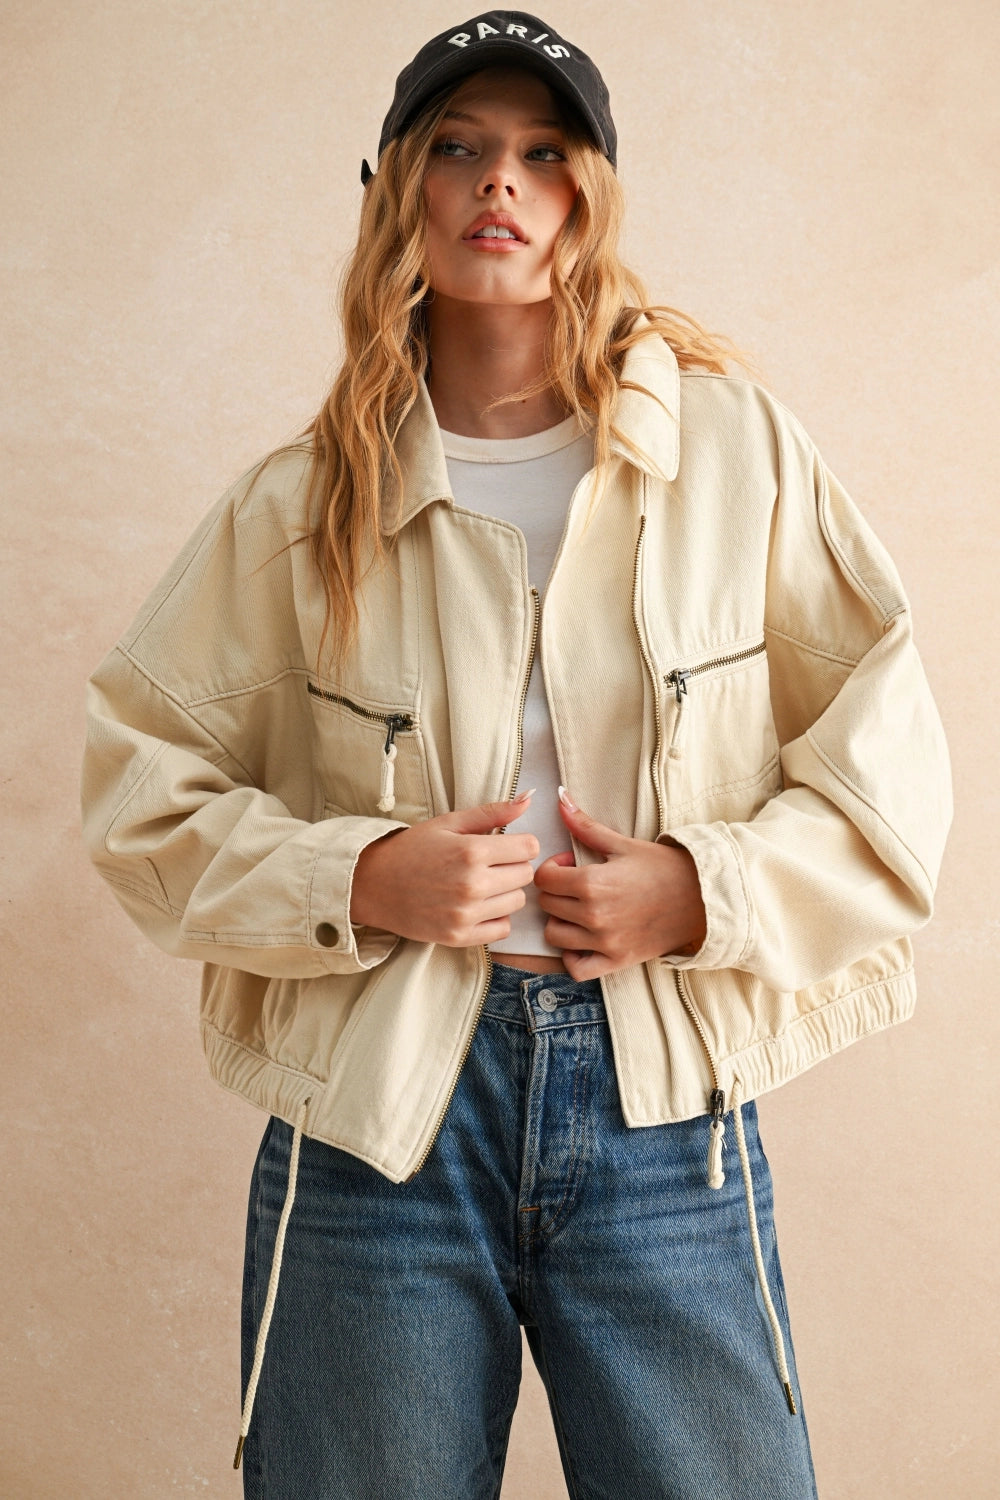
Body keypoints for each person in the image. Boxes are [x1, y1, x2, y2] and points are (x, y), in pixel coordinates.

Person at [81, 12, 952, 1499]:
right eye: (461, 148)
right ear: (395, 192)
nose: (502, 182)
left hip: (662, 1110)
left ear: (588, 201)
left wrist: (703, 891)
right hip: (377, 1121)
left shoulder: (734, 455)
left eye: (545, 154)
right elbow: (138, 785)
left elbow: (893, 767)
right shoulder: (303, 504)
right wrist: (359, 876)